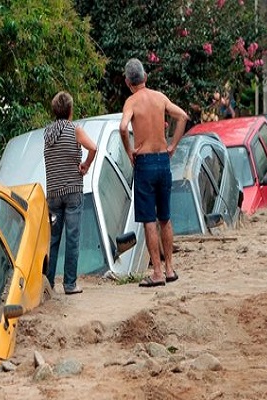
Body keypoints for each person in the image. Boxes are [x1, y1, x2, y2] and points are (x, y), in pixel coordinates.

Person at [119, 58, 189, 287]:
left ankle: (157, 272)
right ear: (145, 77)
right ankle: (170, 268)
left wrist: (130, 151)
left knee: (149, 220)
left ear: (128, 82)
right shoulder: (160, 98)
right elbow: (183, 117)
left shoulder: (131, 101)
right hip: (162, 160)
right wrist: (173, 146)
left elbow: (122, 127)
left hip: (145, 162)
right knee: (165, 218)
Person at [44, 91, 96, 295]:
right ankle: (70, 284)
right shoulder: (75, 130)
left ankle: (47, 283)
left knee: (52, 239)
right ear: (70, 110)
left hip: (53, 192)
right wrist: (86, 166)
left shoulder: (47, 133)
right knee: (72, 237)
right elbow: (93, 147)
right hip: (73, 190)